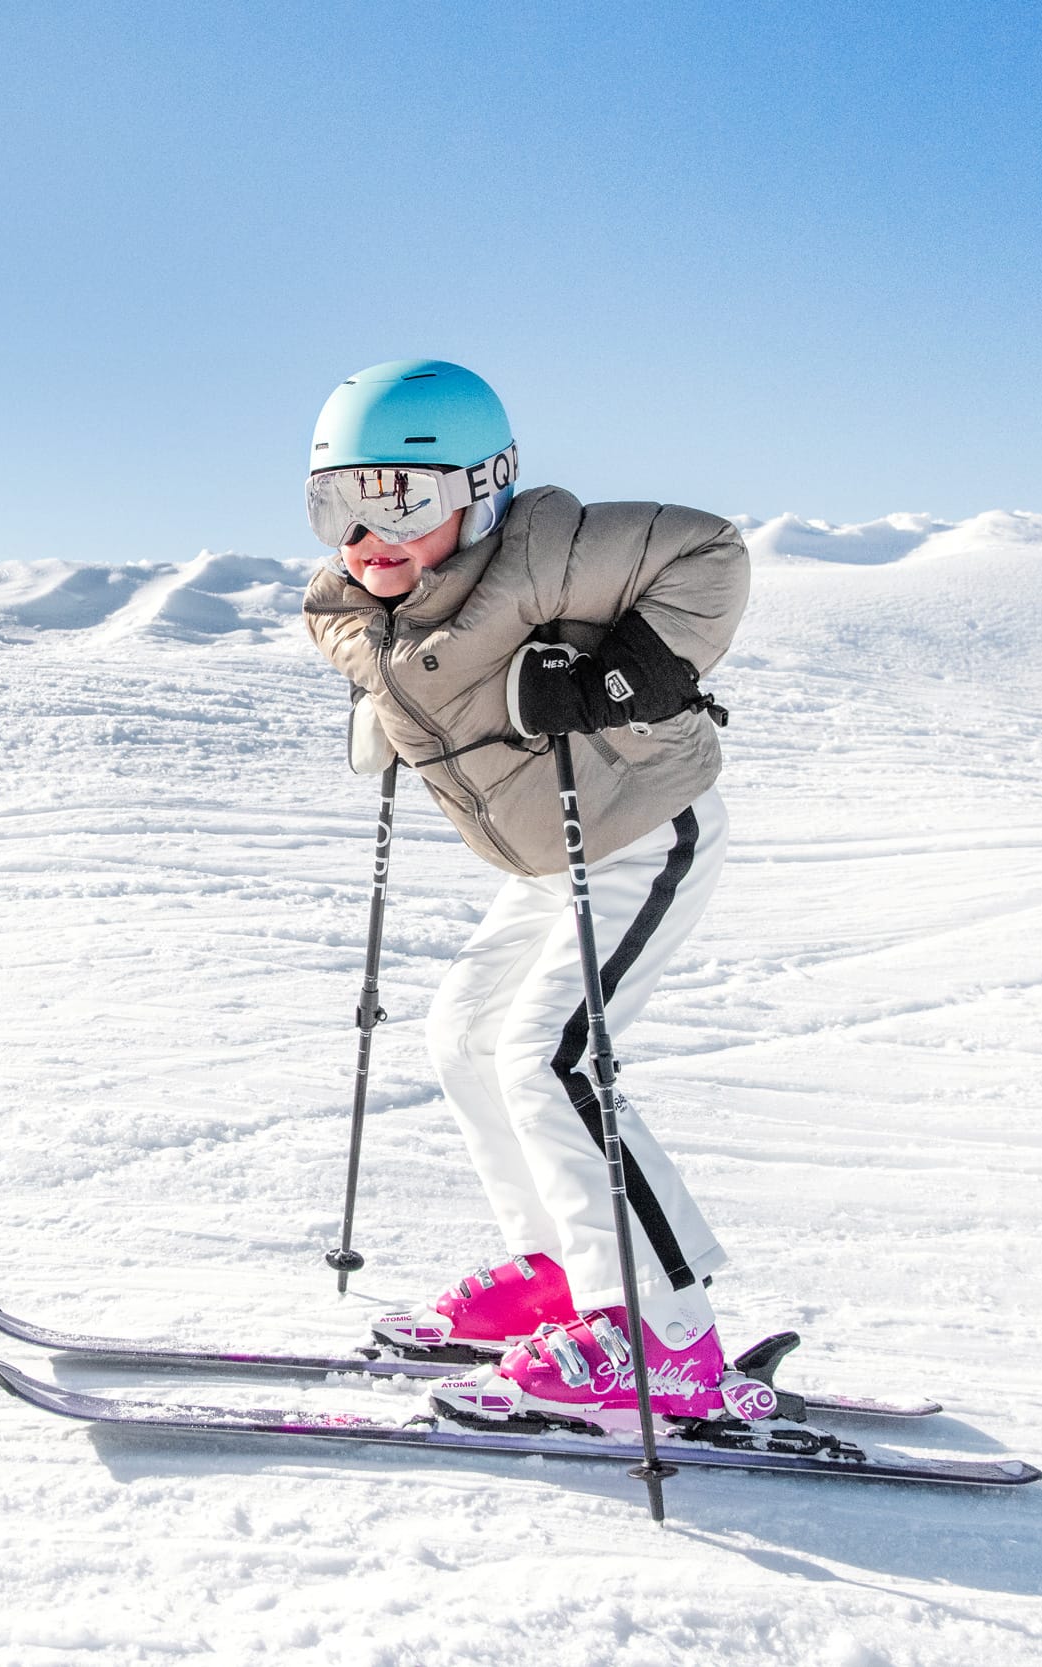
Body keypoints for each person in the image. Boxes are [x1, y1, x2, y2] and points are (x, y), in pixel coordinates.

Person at [299, 358, 775, 1430]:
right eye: (337, 502)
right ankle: (567, 1273)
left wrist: (612, 682)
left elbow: (710, 552)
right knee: (462, 1033)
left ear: (486, 486)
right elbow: (433, 668)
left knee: (548, 1059)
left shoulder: (546, 551)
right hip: (550, 860)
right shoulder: (362, 611)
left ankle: (667, 1337)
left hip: (642, 825)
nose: (370, 535)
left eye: (404, 500)